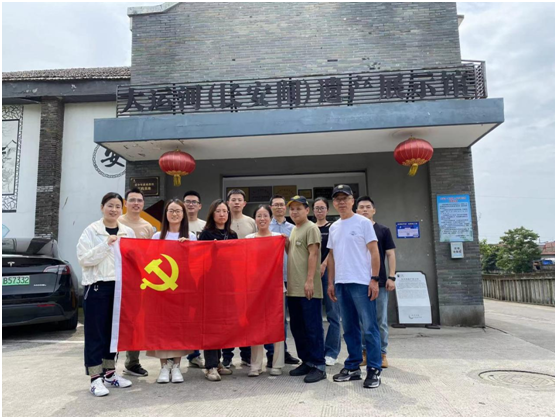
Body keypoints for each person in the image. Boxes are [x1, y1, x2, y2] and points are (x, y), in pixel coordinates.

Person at [77, 192, 135, 397]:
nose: (114, 210)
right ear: (102, 207)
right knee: (96, 333)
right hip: (97, 287)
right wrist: (106, 244)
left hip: (119, 288)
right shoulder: (91, 231)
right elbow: (84, 259)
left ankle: (110, 374)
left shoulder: (127, 232)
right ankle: (95, 378)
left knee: (113, 333)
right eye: (110, 205)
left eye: (118, 206)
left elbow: (134, 259)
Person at [327, 185, 382, 389]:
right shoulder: (334, 227)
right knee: (349, 328)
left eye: (345, 198)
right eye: (338, 199)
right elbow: (331, 256)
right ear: (334, 203)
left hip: (361, 282)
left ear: (352, 201)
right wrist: (331, 282)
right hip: (341, 283)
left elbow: (375, 252)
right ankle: (353, 366)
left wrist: (374, 279)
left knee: (369, 327)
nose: (341, 202)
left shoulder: (363, 223)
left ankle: (374, 368)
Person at [147, 199, 197, 384]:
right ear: (165, 214)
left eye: (178, 211)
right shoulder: (157, 236)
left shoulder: (191, 236)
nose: (174, 214)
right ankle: (163, 367)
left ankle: (176, 365)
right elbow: (149, 261)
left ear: (183, 215)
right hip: (161, 289)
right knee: (161, 327)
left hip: (182, 288)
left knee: (179, 327)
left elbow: (196, 264)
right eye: (171, 210)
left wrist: (189, 248)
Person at [286, 195, 326, 383]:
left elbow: (313, 254)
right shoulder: (294, 229)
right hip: (293, 288)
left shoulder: (311, 228)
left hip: (308, 288)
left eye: (299, 208)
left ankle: (319, 365)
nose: (295, 212)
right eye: (292, 209)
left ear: (307, 211)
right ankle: (307, 361)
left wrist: (310, 280)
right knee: (298, 327)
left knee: (312, 327)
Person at [245, 205, 288, 377]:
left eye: (265, 216)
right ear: (254, 219)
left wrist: (286, 241)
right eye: (259, 216)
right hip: (254, 289)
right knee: (255, 325)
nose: (262, 219)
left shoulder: (278, 237)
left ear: (270, 219)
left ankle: (277, 364)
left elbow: (290, 252)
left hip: (276, 287)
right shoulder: (248, 239)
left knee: (277, 324)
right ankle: (256, 365)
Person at [198, 199, 238, 381]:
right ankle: (210, 366)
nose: (222, 214)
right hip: (210, 284)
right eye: (218, 211)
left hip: (227, 284)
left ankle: (219, 362)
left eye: (225, 211)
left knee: (223, 324)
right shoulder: (205, 234)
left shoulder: (232, 234)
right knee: (210, 325)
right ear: (212, 214)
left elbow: (237, 259)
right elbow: (200, 259)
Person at [356, 196, 396, 369]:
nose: (365, 210)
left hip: (379, 281)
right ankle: (365, 353)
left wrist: (391, 277)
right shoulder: (354, 230)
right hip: (359, 281)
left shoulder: (383, 230)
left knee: (380, 320)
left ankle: (382, 353)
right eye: (361, 207)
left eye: (368, 207)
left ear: (374, 210)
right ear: (356, 211)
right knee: (362, 321)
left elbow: (390, 254)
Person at [118, 188, 153, 378]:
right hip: (116, 278)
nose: (136, 203)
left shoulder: (147, 227)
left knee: (135, 321)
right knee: (115, 321)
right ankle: (108, 365)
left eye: (139, 200)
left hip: (138, 281)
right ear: (126, 203)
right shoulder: (116, 222)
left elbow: (150, 254)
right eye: (132, 200)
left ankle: (132, 362)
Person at [222, 189, 256, 368]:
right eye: (233, 199)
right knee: (228, 318)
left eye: (239, 200)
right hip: (226, 277)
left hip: (247, 275)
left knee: (246, 316)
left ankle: (246, 354)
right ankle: (227, 356)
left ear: (244, 203)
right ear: (228, 202)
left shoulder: (251, 222)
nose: (236, 202)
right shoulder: (222, 220)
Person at [269, 195, 300, 366]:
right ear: (271, 207)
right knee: (272, 317)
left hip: (290, 277)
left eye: (282, 205)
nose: (279, 207)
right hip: (271, 279)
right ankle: (270, 353)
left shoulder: (293, 228)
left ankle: (283, 352)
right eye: (276, 205)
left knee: (286, 318)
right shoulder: (266, 225)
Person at [313, 197, 341, 366]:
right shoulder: (310, 227)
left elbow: (334, 249)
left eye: (322, 208)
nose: (319, 211)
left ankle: (332, 352)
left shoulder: (333, 227)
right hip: (313, 274)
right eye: (316, 208)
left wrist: (323, 264)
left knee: (333, 314)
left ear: (327, 210)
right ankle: (317, 351)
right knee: (314, 315)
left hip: (330, 273)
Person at [182, 190, 206, 369]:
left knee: (200, 316)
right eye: (187, 202)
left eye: (194, 202)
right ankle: (187, 354)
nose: (190, 205)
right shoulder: (176, 224)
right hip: (181, 278)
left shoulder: (205, 226)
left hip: (201, 277)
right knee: (185, 317)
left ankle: (197, 353)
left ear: (200, 206)